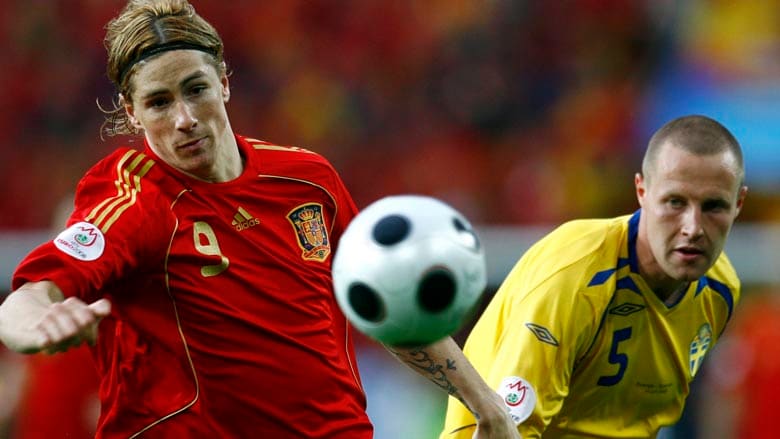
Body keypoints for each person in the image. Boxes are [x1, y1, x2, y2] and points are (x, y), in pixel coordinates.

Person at [0, 1, 373, 437]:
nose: (185, 119)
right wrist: (35, 323)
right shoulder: (136, 200)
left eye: (196, 90)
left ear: (223, 83)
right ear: (132, 111)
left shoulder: (308, 179)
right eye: (159, 102)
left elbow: (387, 296)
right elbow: (27, 298)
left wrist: (456, 387)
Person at [392, 114, 748, 438]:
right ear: (641, 192)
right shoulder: (575, 275)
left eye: (713, 206)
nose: (693, 228)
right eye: (675, 202)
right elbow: (505, 431)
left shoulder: (720, 288)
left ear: (738, 204)